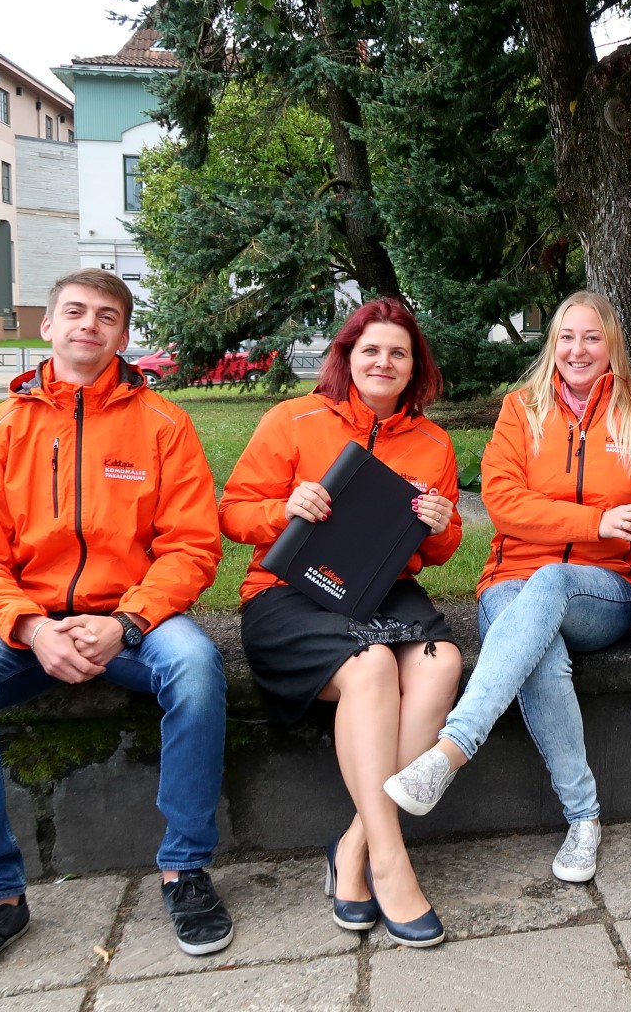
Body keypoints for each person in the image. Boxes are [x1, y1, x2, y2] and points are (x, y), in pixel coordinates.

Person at [0, 270, 230, 994]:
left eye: (107, 316)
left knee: (196, 667)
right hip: (26, 620)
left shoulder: (163, 425)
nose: (90, 324)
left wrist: (126, 622)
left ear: (124, 334)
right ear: (49, 325)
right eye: (76, 312)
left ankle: (185, 869)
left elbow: (191, 546)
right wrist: (30, 626)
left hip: (134, 618)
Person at [388, 292, 631, 881]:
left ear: (612, 345)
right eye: (566, 337)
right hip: (510, 582)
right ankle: (584, 819)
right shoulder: (521, 410)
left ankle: (452, 748)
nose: (577, 350)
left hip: (604, 589)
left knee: (555, 580)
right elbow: (504, 503)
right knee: (542, 656)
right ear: (552, 344)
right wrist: (596, 521)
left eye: (591, 337)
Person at [220, 299, 462, 947]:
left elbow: (439, 550)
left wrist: (441, 525)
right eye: (370, 350)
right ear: (347, 357)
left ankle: (355, 844)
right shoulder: (291, 420)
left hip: (383, 591)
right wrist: (283, 508)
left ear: (414, 367)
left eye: (398, 353)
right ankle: (390, 862)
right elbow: (233, 511)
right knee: (372, 665)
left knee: (442, 662)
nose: (384, 362)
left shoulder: (434, 443)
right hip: (288, 592)